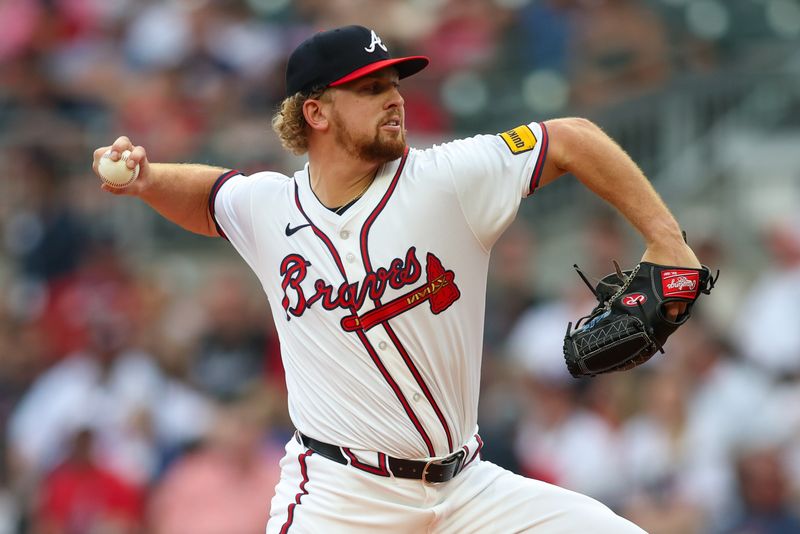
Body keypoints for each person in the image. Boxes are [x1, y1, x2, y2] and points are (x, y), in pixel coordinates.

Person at [92, 25, 701, 533]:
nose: (395, 98)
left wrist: (667, 240)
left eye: (395, 85)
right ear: (316, 111)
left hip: (468, 491)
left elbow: (572, 138)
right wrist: (147, 181)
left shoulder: (446, 179)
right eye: (371, 87)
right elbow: (209, 197)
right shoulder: (269, 207)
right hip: (341, 500)